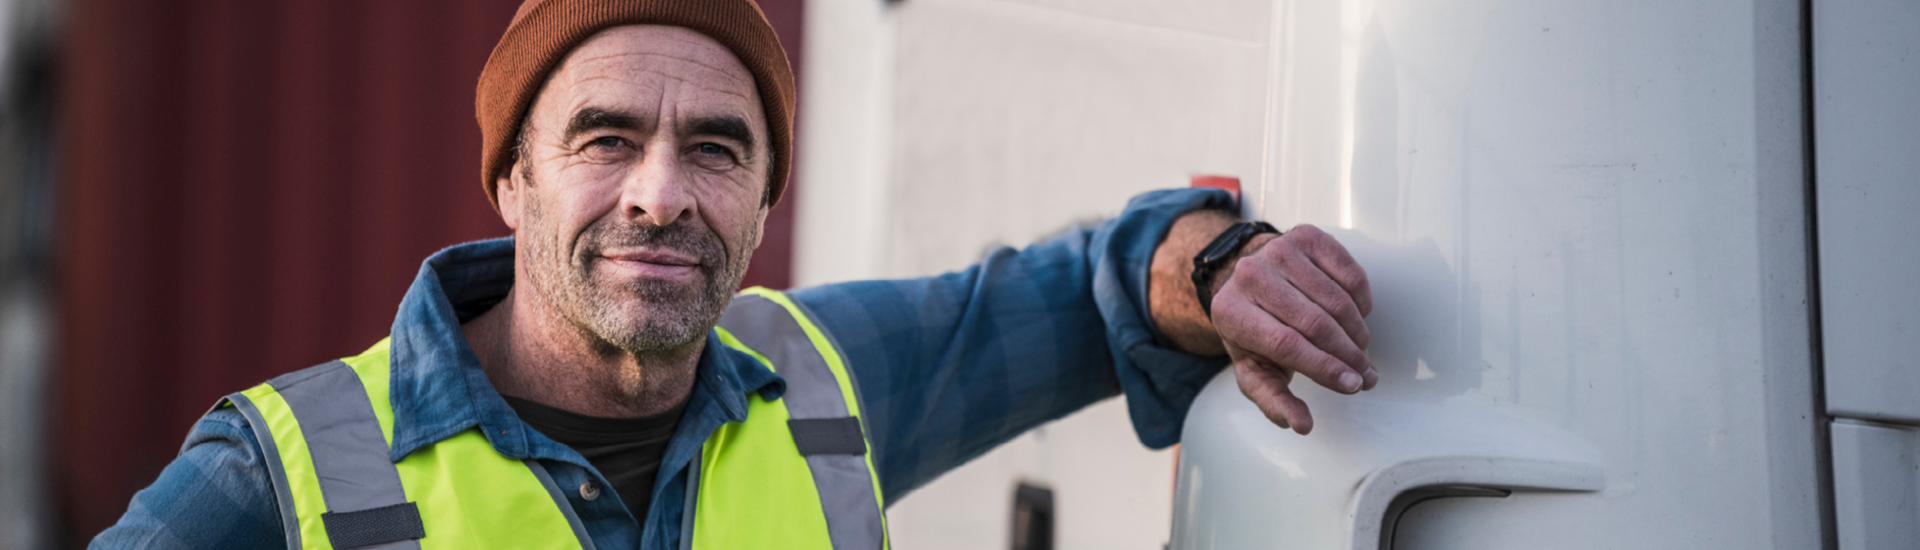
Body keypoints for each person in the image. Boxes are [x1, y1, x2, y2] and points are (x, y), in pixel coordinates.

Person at [91, 1, 1376, 548]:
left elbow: (1082, 291)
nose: (661, 193)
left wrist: (1218, 266)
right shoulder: (286, 473)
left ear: (764, 201)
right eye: (605, 139)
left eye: (715, 148)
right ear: (513, 181)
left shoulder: (827, 384)